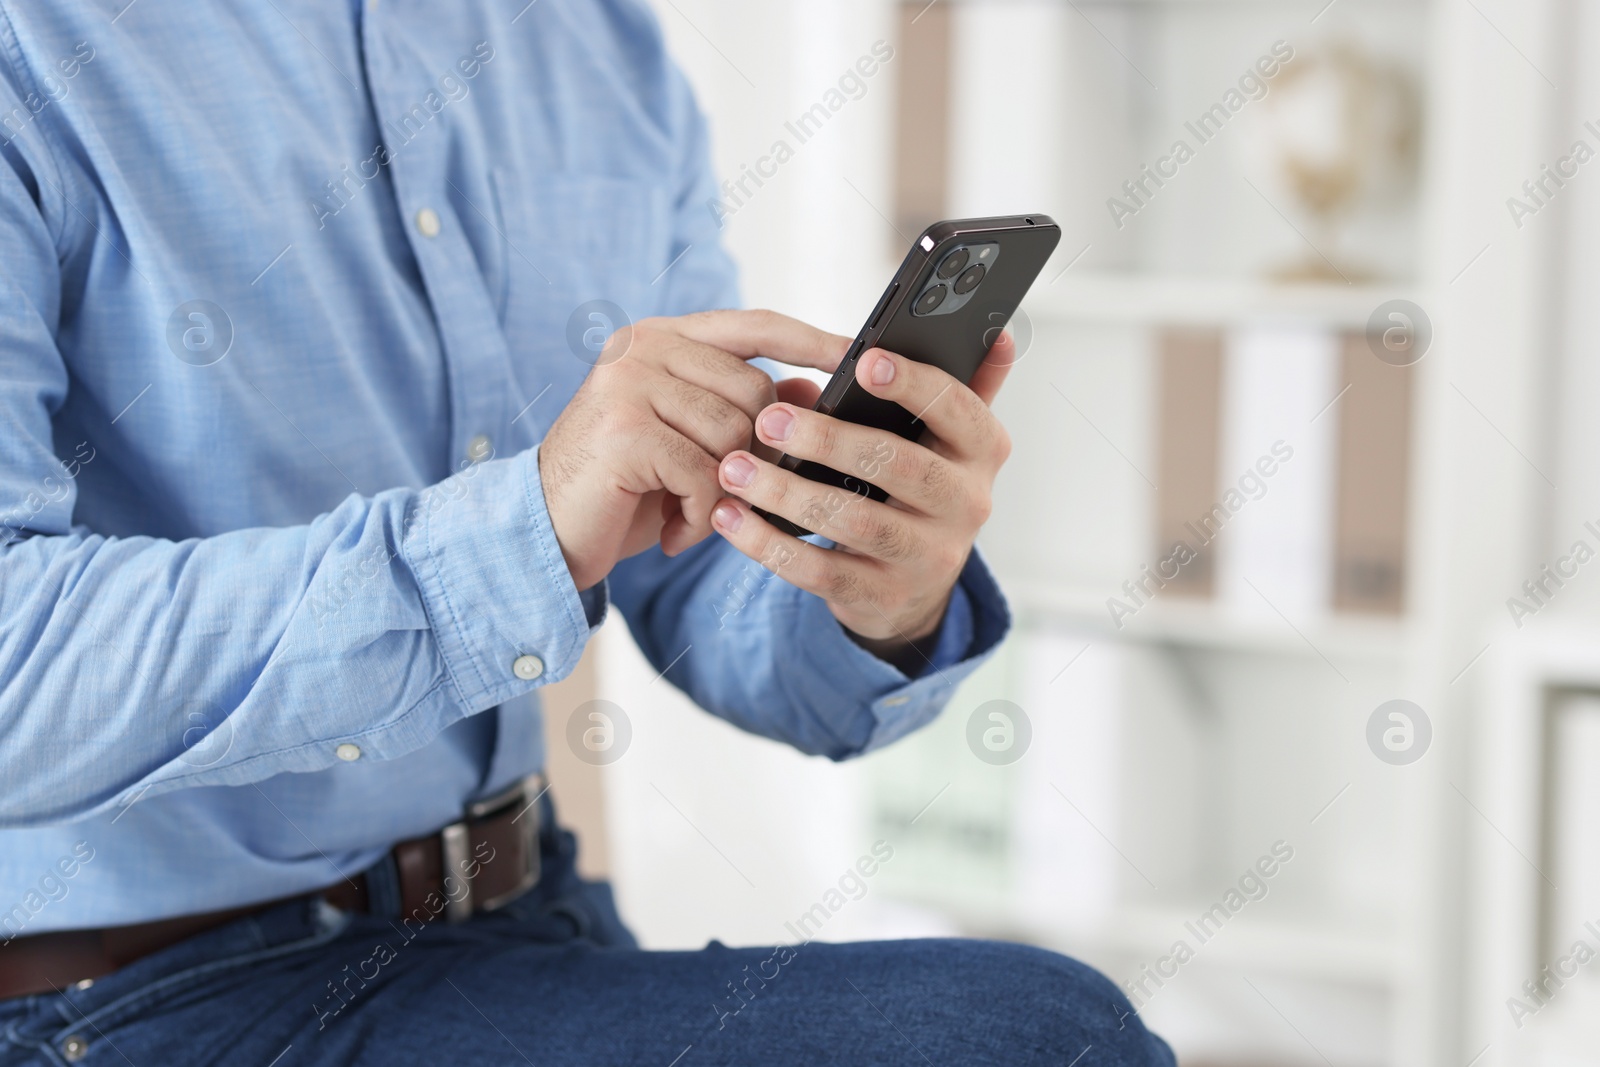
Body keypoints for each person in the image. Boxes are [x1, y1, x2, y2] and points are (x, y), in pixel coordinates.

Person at [0, 1, 1174, 1063]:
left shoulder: (599, 43)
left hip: (525, 917)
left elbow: (697, 569)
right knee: (1034, 1038)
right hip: (135, 996)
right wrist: (522, 535)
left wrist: (871, 577)